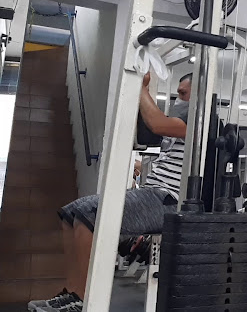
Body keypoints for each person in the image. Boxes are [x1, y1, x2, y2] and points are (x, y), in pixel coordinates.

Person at [28, 73, 192, 312]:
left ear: (199, 94)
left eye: (183, 94)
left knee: (88, 215)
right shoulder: (179, 126)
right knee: (70, 213)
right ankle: (72, 294)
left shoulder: (201, 119)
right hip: (153, 192)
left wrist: (141, 87)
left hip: (169, 200)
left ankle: (82, 300)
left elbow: (157, 123)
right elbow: (151, 130)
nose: (178, 99)